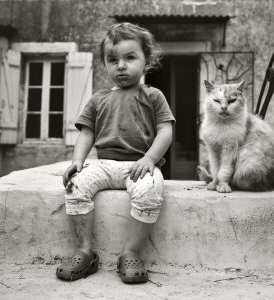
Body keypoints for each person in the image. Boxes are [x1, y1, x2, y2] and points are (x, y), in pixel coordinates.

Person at [56, 22, 175, 283]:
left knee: (151, 189)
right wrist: (78, 161)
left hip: (139, 165)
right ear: (105, 63)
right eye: (112, 59)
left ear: (146, 61)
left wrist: (150, 159)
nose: (121, 65)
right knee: (75, 185)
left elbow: (165, 131)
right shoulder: (98, 98)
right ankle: (85, 251)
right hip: (104, 166)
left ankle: (130, 252)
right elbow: (86, 133)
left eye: (130, 57)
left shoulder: (153, 95)